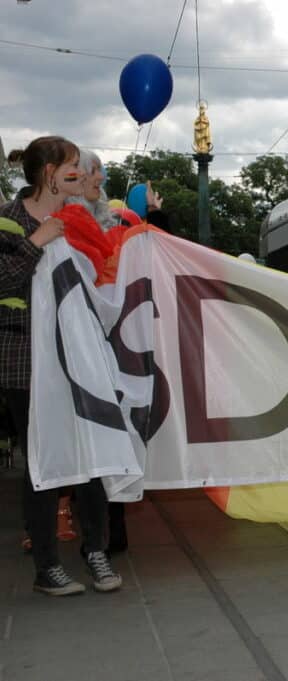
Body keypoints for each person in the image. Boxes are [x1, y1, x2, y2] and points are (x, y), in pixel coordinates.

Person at [1, 136, 122, 595]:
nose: (83, 173)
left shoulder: (80, 219)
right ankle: (48, 566)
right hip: (24, 360)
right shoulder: (9, 220)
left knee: (91, 451)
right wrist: (37, 241)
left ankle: (97, 554)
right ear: (50, 172)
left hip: (77, 357)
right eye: (73, 166)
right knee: (43, 461)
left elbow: (101, 279)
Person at [67, 149, 130, 552]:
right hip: (79, 343)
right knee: (91, 438)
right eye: (95, 174)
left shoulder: (106, 225)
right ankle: (97, 535)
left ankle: (108, 534)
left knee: (112, 433)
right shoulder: (66, 225)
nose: (100, 181)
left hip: (110, 342)